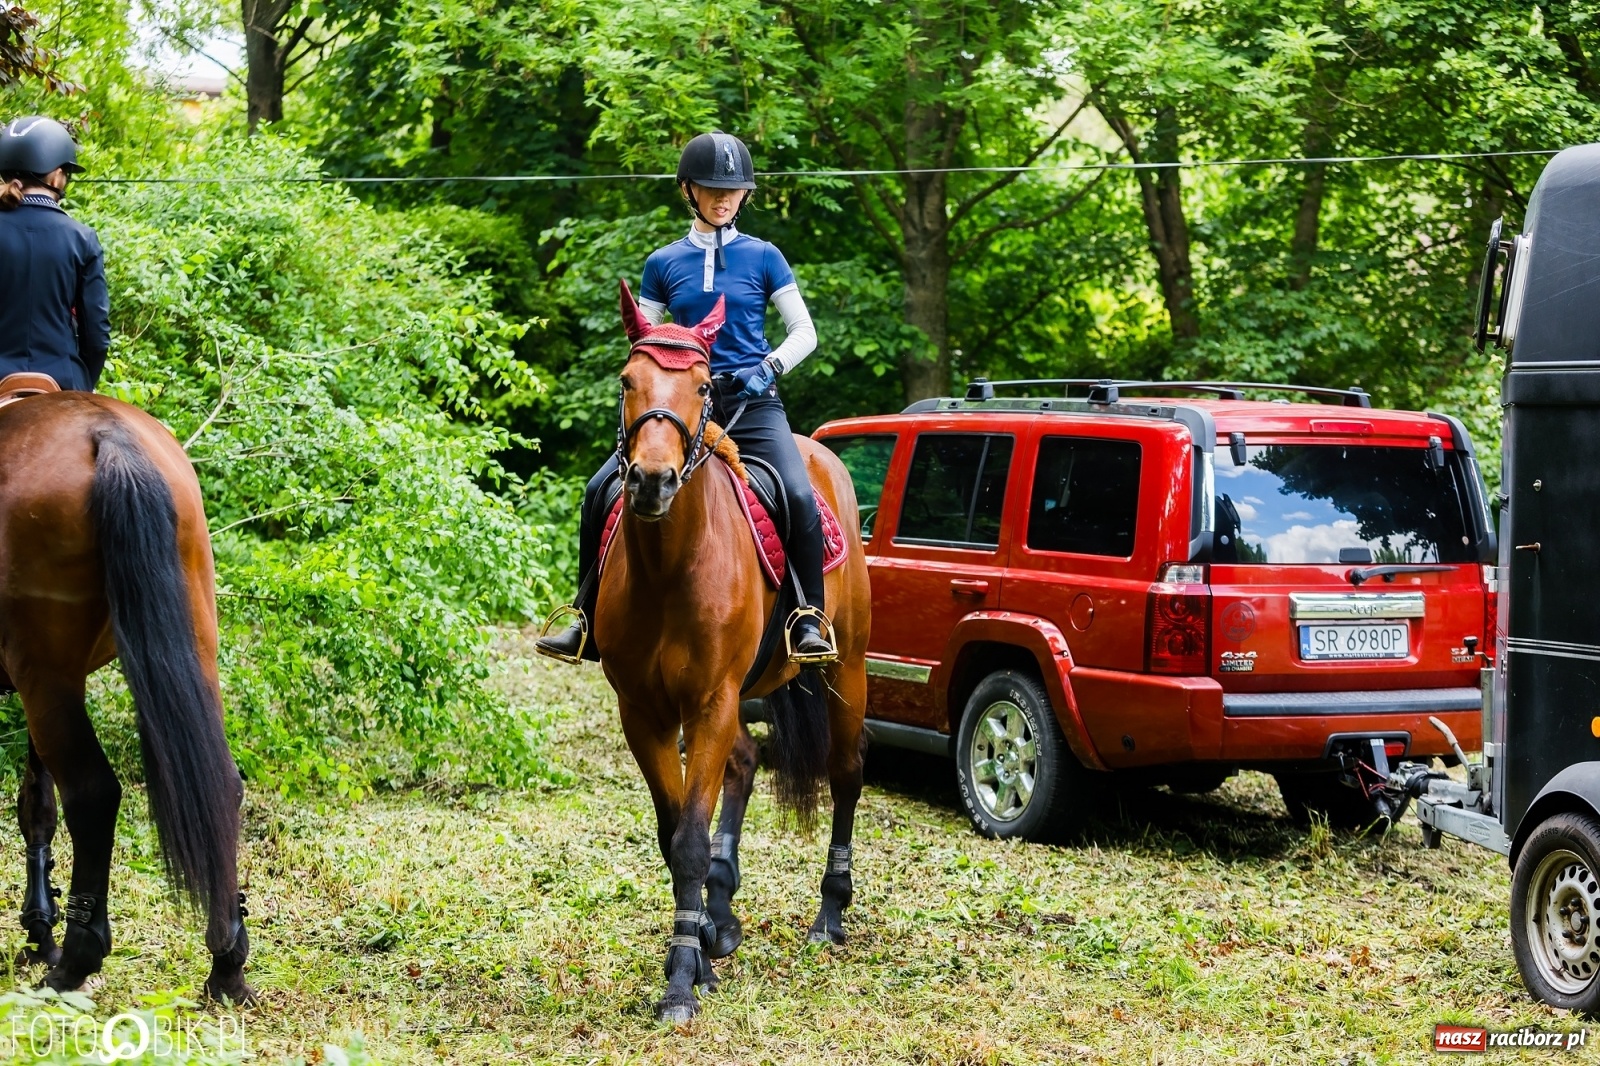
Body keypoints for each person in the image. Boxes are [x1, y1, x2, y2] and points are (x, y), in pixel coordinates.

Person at [537, 130, 835, 664]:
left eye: (734, 189)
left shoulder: (766, 256)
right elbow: (645, 340)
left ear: (746, 195)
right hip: (677, 408)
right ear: (687, 190)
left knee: (797, 493)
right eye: (710, 187)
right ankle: (585, 618)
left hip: (751, 403)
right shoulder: (663, 262)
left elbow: (805, 332)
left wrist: (766, 368)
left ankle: (808, 618)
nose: (723, 198)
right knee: (598, 488)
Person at [0, 116, 109, 393]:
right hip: (63, 378)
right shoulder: (82, 238)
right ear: (57, 175)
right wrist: (84, 386)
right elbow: (96, 337)